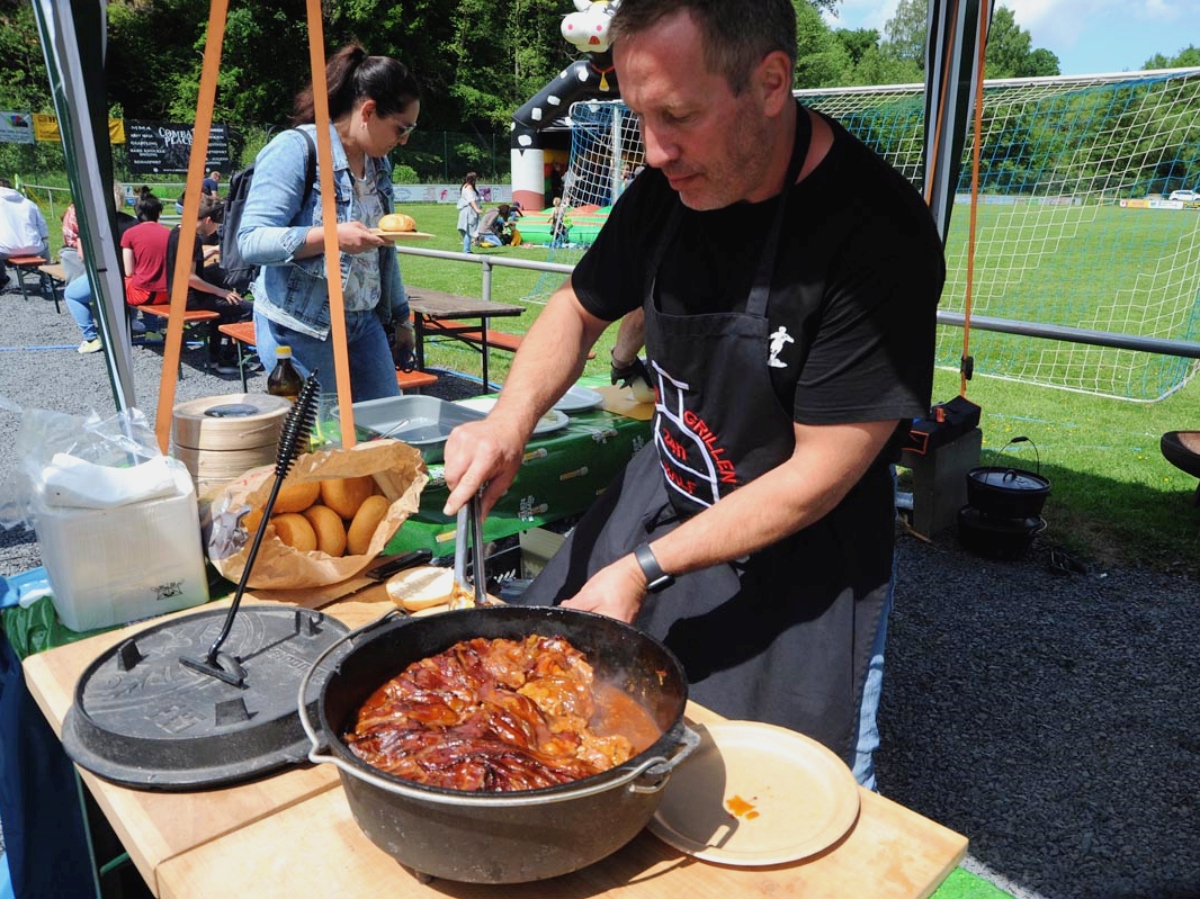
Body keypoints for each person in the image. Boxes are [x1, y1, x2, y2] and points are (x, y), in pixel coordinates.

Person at [440, 0, 945, 788]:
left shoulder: (877, 235)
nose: (657, 150)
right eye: (641, 116)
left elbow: (820, 474)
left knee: (774, 793)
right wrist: (509, 419)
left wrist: (643, 568)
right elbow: (576, 310)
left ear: (772, 82)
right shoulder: (662, 191)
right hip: (667, 496)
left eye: (677, 114)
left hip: (803, 556)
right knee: (557, 727)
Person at [236, 43, 417, 402]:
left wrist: (401, 317)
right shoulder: (296, 149)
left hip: (364, 322)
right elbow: (251, 241)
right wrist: (331, 236)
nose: (405, 140)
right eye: (401, 128)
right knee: (324, 442)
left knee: (386, 429)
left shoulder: (380, 166)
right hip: (301, 326)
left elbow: (385, 250)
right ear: (368, 110)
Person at [166, 196, 252, 373]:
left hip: (175, 293)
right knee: (245, 307)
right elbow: (189, 278)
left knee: (220, 280)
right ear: (207, 220)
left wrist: (211, 251)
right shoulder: (193, 239)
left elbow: (184, 265)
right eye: (217, 224)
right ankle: (228, 358)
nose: (217, 228)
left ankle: (215, 355)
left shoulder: (177, 231)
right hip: (188, 298)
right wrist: (221, 292)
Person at [65, 181, 139, 354]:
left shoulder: (91, 224)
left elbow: (83, 255)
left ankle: (91, 338)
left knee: (71, 294)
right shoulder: (133, 222)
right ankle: (138, 322)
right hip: (131, 278)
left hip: (103, 275)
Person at [120, 189, 171, 309]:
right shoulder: (169, 233)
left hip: (143, 294)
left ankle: (130, 323)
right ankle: (150, 324)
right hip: (168, 293)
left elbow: (129, 272)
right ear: (159, 213)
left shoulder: (130, 234)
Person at [0, 179, 49, 289]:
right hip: (34, 248)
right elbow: (43, 229)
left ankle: (3, 279)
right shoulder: (29, 203)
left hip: (6, 250)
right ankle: (46, 279)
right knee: (45, 246)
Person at [456, 171, 482, 254]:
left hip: (465, 211)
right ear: (473, 179)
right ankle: (466, 250)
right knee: (469, 231)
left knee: (466, 230)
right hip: (469, 211)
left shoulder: (465, 186)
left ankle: (468, 246)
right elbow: (471, 200)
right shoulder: (469, 187)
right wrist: (477, 209)